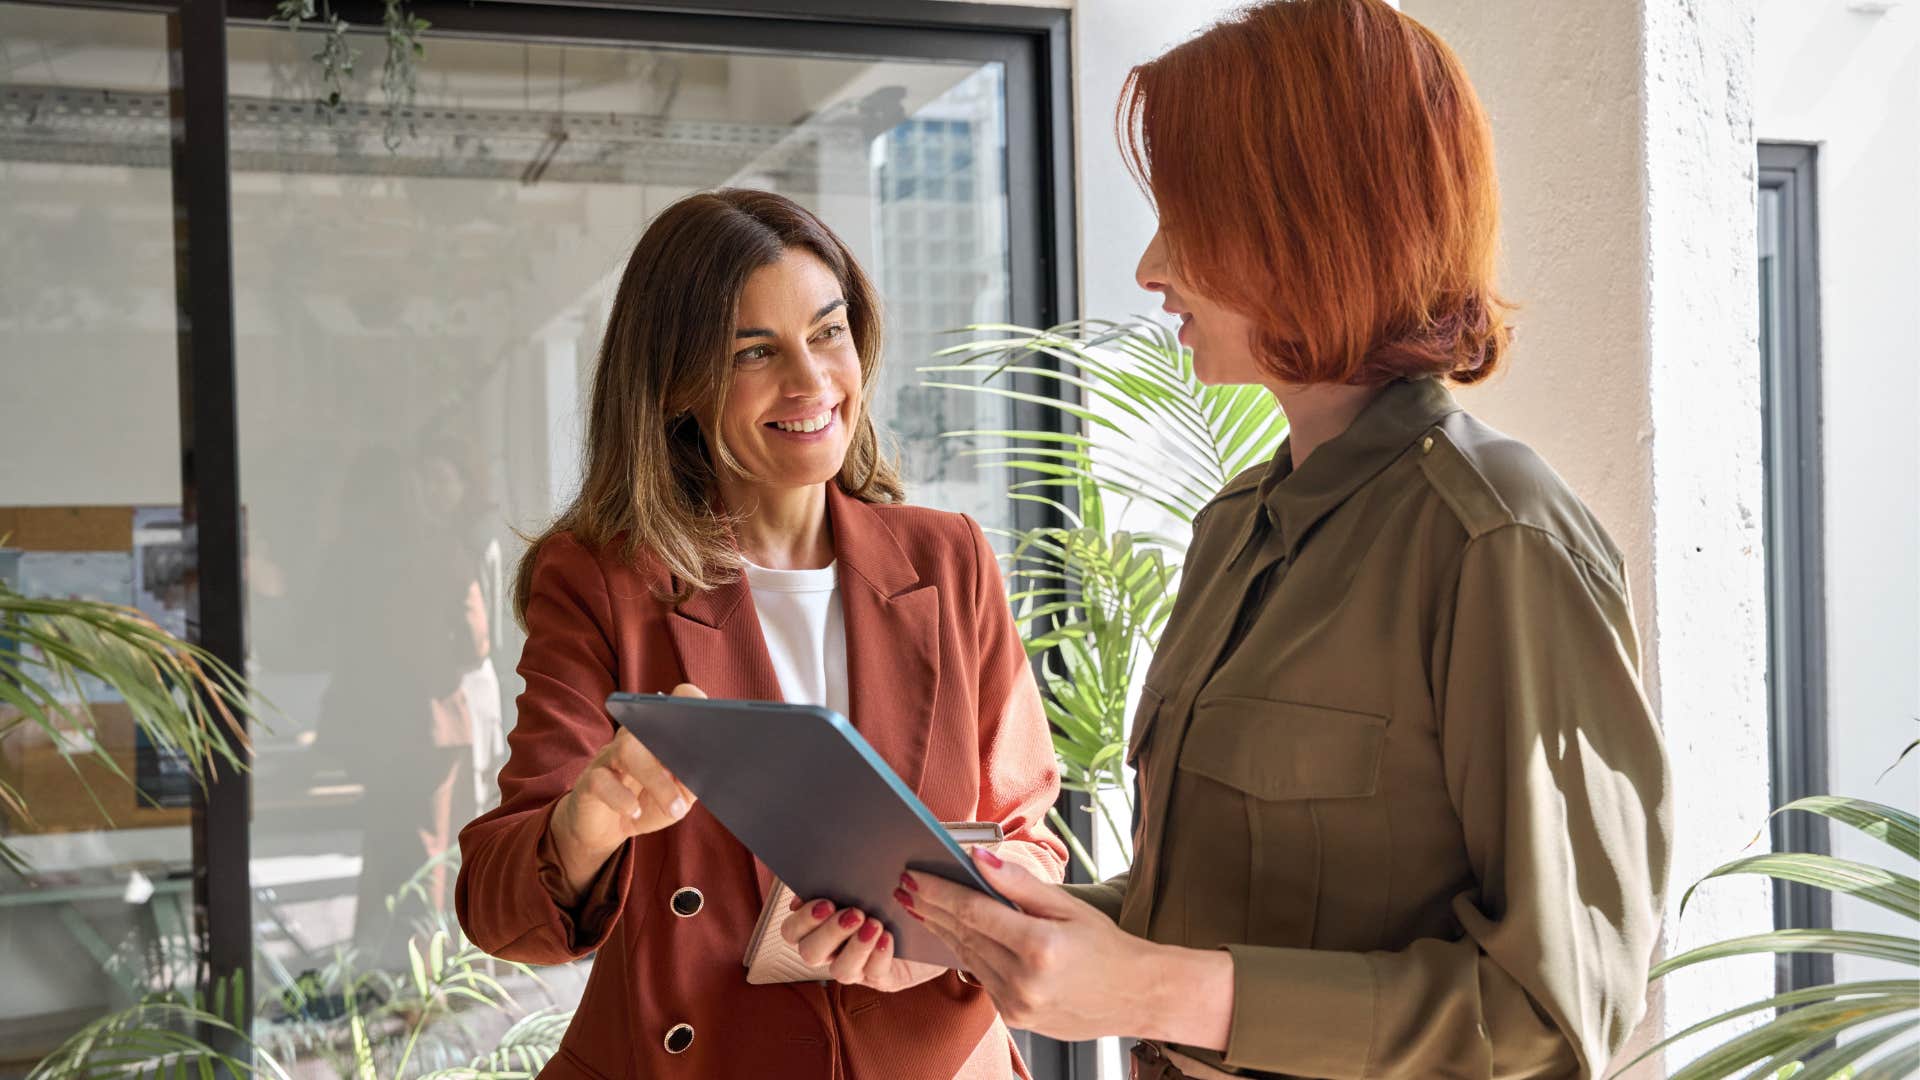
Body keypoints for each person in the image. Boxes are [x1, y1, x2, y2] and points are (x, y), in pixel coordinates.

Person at [901, 3, 1673, 1078]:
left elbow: (1554, 1011)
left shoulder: (1497, 537)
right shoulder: (1234, 531)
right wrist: (972, 928)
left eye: (1189, 220)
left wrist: (1149, 988)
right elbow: (1229, 908)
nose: (1152, 267)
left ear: (1311, 222)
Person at [455, 188, 1067, 1079]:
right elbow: (496, 907)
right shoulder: (603, 580)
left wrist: (932, 934)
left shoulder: (948, 558)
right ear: (676, 385)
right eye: (755, 352)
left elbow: (1030, 842)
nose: (813, 382)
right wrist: (590, 824)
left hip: (936, 1054)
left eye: (828, 332)